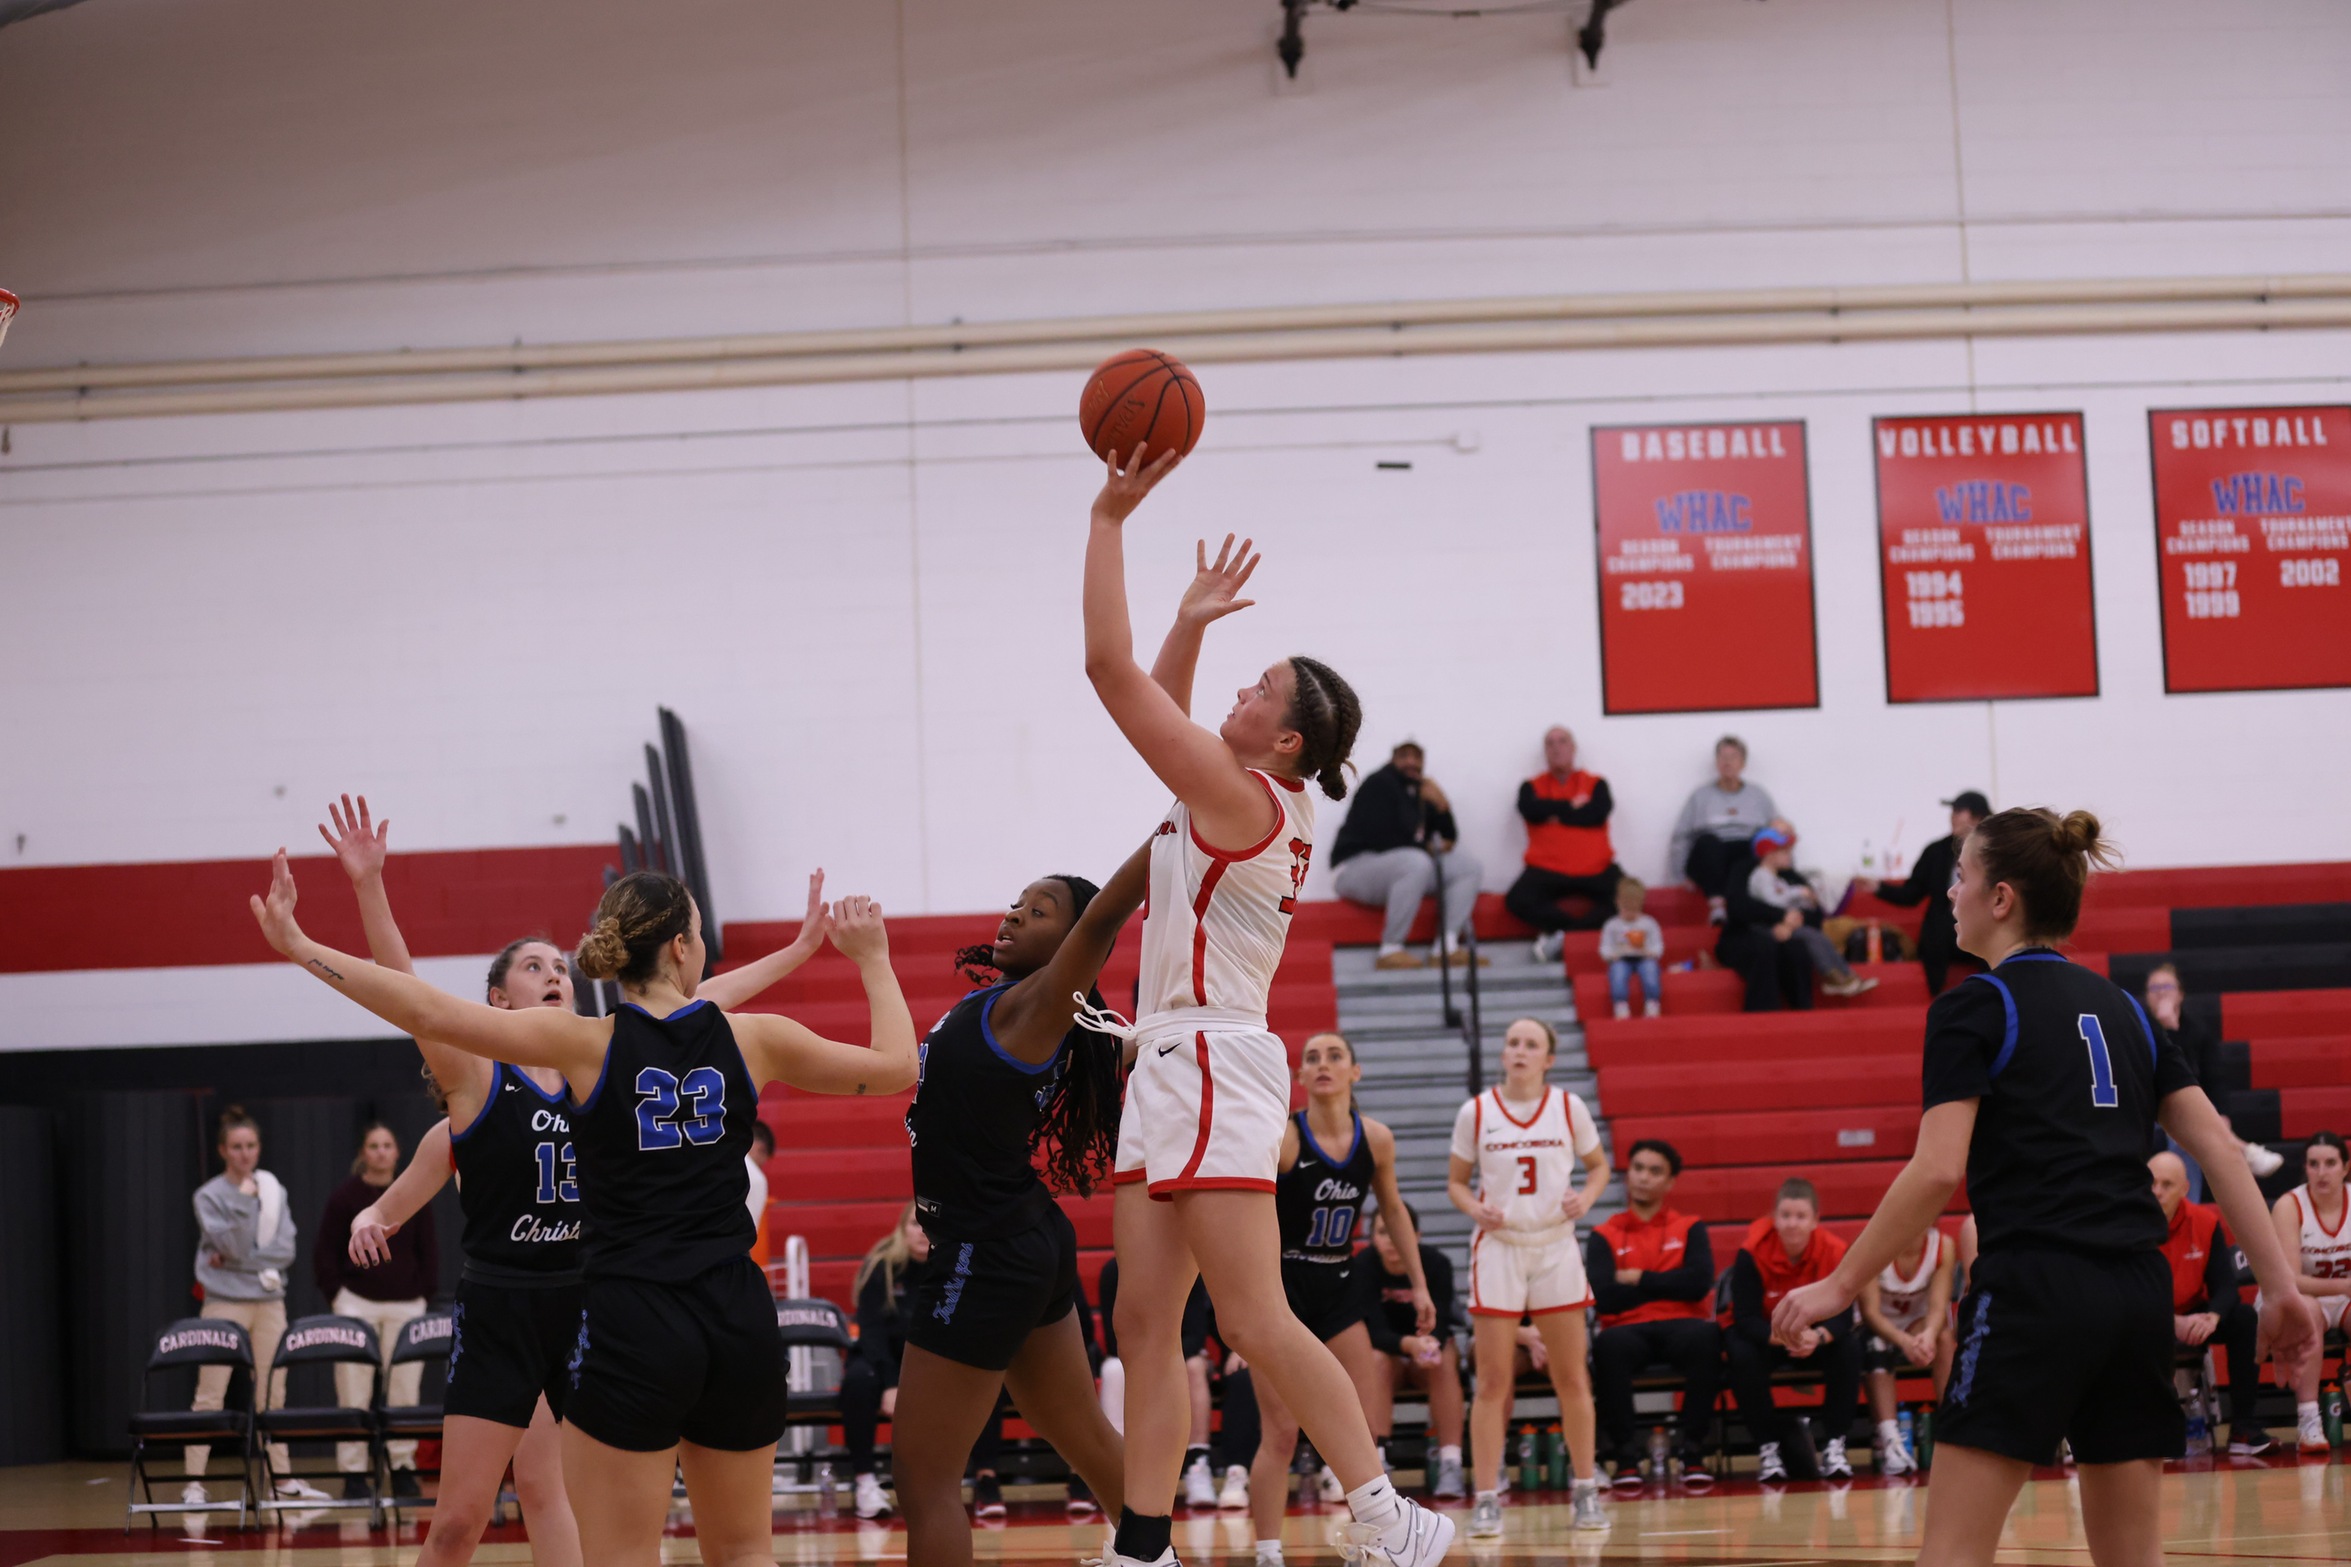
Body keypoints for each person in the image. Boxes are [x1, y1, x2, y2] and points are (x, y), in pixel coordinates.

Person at [250, 855, 918, 1567]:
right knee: (746, 1551)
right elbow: (898, 1065)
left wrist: (300, 946)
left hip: (633, 1314)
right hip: (734, 1313)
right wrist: (871, 958)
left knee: (614, 1552)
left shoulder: (586, 1044)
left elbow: (423, 1007)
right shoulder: (751, 1037)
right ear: (682, 948)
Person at [1771, 807, 2320, 1567]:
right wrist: (2279, 1287)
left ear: (2000, 899)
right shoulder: (2125, 1008)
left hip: (2032, 1289)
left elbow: (1935, 1170)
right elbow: (2221, 1154)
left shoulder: (1973, 1004)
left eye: (1959, 873)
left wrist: (1838, 1283)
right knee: (2133, 1557)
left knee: (1953, 1554)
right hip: (2136, 1293)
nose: (1949, 890)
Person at [1083, 456, 1446, 1567]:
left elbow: (1109, 673)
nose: (1235, 694)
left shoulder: (1240, 797)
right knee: (1146, 1322)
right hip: (1168, 1059)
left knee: (1249, 1316)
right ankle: (1143, 1544)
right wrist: (1188, 624)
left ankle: (1388, 1513)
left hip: (1209, 1058)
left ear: (1285, 740)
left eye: (1257, 688)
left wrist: (1107, 518)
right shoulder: (1235, 791)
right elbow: (1167, 706)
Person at [890, 852, 1147, 1567]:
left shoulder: (1042, 1002)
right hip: (1019, 1234)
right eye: (1016, 903)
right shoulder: (1001, 1002)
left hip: (983, 1249)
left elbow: (1102, 918)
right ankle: (1156, 1558)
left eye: (1038, 911)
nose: (1013, 914)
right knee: (1085, 1438)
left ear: (1072, 943)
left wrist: (1175, 824)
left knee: (923, 1475)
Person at [1248, 1033, 1436, 1567]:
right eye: (1312, 1058)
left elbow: (1393, 1211)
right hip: (1281, 1290)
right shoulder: (1284, 1139)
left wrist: (1419, 1284)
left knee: (1363, 1425)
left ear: (1356, 1072)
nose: (1323, 1064)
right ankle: (1266, 1552)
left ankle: (1375, 1539)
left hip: (1339, 1287)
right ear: (1300, 1078)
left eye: (1335, 1056)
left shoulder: (1376, 1138)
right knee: (1281, 1431)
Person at [1449, 1016, 1612, 1534]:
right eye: (1513, 1043)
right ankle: (1487, 1496)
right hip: (1499, 1248)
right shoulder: (1476, 1112)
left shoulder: (1569, 1107)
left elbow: (1600, 1166)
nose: (1519, 1051)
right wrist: (1474, 1209)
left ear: (1549, 1059)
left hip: (1555, 1245)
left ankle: (1585, 1489)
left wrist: (1584, 1198)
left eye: (1531, 1044)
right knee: (1493, 1381)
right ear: (1503, 1054)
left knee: (1571, 1376)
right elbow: (1456, 1182)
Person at [183, 1106, 327, 1507]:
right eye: (236, 1147)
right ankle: (193, 1482)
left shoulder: (274, 1190)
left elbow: (285, 1251)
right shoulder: (209, 1195)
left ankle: (282, 1480)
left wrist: (234, 1256)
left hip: (268, 1303)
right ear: (223, 1151)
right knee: (210, 1393)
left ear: (259, 1148)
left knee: (272, 1394)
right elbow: (230, 1244)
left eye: (250, 1146)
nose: (245, 1154)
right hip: (224, 1302)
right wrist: (242, 1220)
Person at [838, 1205, 1010, 1521]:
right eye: (915, 1224)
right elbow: (872, 1332)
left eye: (928, 1226)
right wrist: (890, 1383)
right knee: (858, 1382)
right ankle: (864, 1481)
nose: (921, 1231)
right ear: (902, 1229)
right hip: (883, 1359)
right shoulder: (880, 1268)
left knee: (984, 1378)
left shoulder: (953, 1268)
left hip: (934, 1360)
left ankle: (986, 1478)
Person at [315, 1120, 437, 1495]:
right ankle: (354, 1473)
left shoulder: (412, 1194)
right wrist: (339, 1297)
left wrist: (422, 1295)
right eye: (374, 1145)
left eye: (387, 1145)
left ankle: (401, 1467)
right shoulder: (345, 1197)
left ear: (398, 1152)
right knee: (353, 1390)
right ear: (362, 1153)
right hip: (357, 1304)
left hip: (405, 1307)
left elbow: (429, 1251)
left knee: (404, 1392)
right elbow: (324, 1255)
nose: (381, 1151)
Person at [1586, 1138, 1718, 1486]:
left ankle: (1692, 1452)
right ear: (1628, 1174)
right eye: (1638, 1168)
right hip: (1627, 1330)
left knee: (1708, 1337)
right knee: (1608, 1346)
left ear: (1670, 1182)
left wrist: (1637, 1278)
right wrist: (1666, 1282)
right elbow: (1602, 1296)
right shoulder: (1603, 1234)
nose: (1643, 1177)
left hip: (1683, 1324)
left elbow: (1698, 1284)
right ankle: (1626, 1457)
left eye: (1654, 1171)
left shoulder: (1690, 1226)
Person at [1724, 1178, 1861, 1482]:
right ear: (1774, 1218)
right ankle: (1768, 1448)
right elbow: (1745, 1319)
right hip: (1771, 1339)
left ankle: (1835, 1445)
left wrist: (1817, 1337)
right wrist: (1786, 1337)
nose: (1792, 1224)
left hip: (1814, 1340)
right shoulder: (1751, 1253)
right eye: (1786, 1216)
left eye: (1800, 1217)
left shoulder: (1834, 1251)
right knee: (1740, 1351)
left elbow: (1844, 1316)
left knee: (1849, 1348)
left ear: (1815, 1221)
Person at [2149, 1152, 2270, 1456]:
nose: (2157, 1191)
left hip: (2192, 1312)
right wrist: (2170, 1321)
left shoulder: (2203, 1222)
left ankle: (2243, 1427)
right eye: (2151, 1183)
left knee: (2243, 1319)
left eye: (2166, 1184)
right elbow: (2122, 1291)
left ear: (2185, 1189)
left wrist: (2213, 1316)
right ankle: (2152, 1429)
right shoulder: (2127, 1225)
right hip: (2144, 1314)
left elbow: (2226, 1285)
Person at [1331, 741, 1483, 971]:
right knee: (1416, 861)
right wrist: (1425, 848)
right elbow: (1385, 836)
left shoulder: (1418, 791)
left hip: (1402, 869)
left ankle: (1446, 946)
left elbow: (1449, 839)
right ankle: (1390, 949)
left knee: (1467, 866)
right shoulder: (1380, 783)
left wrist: (1442, 805)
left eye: (1417, 757)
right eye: (1404, 756)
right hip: (1357, 869)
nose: (1411, 762)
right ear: (1393, 760)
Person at [1349, 1205, 1464, 1500]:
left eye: (1398, 1233)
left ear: (1417, 1236)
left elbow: (1443, 1322)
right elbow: (1371, 1330)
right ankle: (1379, 1462)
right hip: (1389, 1353)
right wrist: (1409, 1345)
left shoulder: (1436, 1263)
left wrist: (1428, 1344)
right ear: (1372, 1238)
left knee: (1445, 1355)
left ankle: (1451, 1461)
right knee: (1374, 1360)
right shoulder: (1363, 1265)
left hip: (1425, 1353)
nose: (1391, 1240)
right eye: (1382, 1233)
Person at [2144, 964, 2285, 1195]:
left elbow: (2211, 1078)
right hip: (2153, 1112)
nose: (2161, 992)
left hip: (2190, 1110)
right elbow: (2163, 1077)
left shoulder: (2197, 1031)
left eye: (2167, 986)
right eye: (2154, 988)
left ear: (2180, 993)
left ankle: (2188, 1206)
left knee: (2187, 1131)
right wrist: (2167, 1029)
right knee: (2188, 1129)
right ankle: (2242, 1149)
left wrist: (2222, 1116)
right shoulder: (2142, 1027)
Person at [1505, 727, 1623, 961]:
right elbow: (1530, 810)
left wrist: (1552, 811)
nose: (1556, 748)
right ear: (1545, 751)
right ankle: (1575, 935)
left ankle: (1563, 937)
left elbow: (1597, 813)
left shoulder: (1596, 783)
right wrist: (1572, 807)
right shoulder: (1531, 786)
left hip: (1596, 868)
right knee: (1517, 899)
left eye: (1562, 741)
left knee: (1629, 897)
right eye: (1550, 743)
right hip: (1546, 869)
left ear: (1573, 747)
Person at [2266, 1130, 2351, 1455]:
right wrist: (2344, 1285)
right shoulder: (2290, 1205)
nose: (2321, 1172)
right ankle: (2308, 1419)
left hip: (2343, 1299)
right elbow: (2291, 1280)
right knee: (2308, 1315)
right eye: (2314, 1164)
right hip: (2297, 1297)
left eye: (2330, 1163)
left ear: (2345, 1167)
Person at [1853, 791, 1985, 995]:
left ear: (1977, 816)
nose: (1952, 816)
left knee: (1992, 929)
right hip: (1945, 929)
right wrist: (1878, 887)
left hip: (1982, 923)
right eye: (1952, 811)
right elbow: (1912, 893)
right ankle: (1937, 996)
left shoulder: (1994, 851)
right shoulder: (1937, 851)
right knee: (1938, 929)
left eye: (1959, 811)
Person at [1856, 1225, 1954, 1475]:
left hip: (1917, 1326)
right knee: (1874, 1345)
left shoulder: (1943, 1246)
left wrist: (1928, 1335)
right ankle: (1890, 1439)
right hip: (1880, 1327)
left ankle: (1953, 1429)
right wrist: (1903, 1341)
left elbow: (1938, 1307)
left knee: (1944, 1338)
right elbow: (1870, 1313)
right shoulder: (1874, 1244)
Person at [1745, 827, 1877, 999]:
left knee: (1820, 937)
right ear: (1769, 853)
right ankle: (1832, 977)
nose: (1788, 856)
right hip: (1769, 928)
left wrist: (1807, 898)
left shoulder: (1777, 879)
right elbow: (1774, 901)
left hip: (1788, 924)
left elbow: (1787, 898)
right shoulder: (1760, 876)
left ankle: (1847, 975)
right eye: (1784, 851)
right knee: (1812, 937)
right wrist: (1798, 893)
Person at [1665, 736, 1779, 918]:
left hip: (1742, 855)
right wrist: (1679, 877)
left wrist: (1781, 870)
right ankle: (1716, 904)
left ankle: (1738, 910)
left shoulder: (1758, 795)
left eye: (1733, 757)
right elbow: (1681, 837)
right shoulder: (1700, 796)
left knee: (1752, 847)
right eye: (1723, 757)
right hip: (1709, 857)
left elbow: (1776, 833)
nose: (1728, 762)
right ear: (1716, 762)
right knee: (1708, 843)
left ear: (1743, 763)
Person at [1596, 878, 1665, 1020]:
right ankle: (1620, 1003)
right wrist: (1611, 955)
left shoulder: (1649, 923)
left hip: (1644, 958)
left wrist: (1651, 952)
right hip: (1621, 959)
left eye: (1634, 910)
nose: (1629, 914)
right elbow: (1605, 947)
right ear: (1618, 903)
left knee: (1650, 970)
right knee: (1617, 972)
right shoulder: (1612, 925)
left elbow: (1658, 945)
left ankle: (1652, 1002)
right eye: (1626, 909)